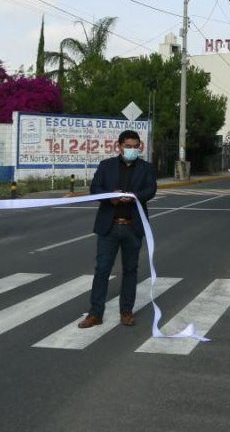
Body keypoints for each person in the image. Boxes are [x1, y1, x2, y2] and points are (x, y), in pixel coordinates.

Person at [78, 130, 158, 329]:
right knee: (102, 270)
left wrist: (135, 196)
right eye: (128, 146)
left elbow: (151, 189)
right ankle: (95, 314)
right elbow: (95, 189)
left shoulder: (146, 168)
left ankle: (126, 312)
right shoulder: (106, 166)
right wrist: (111, 196)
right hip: (109, 227)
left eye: (135, 146)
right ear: (119, 146)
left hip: (133, 227)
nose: (132, 150)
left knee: (130, 270)